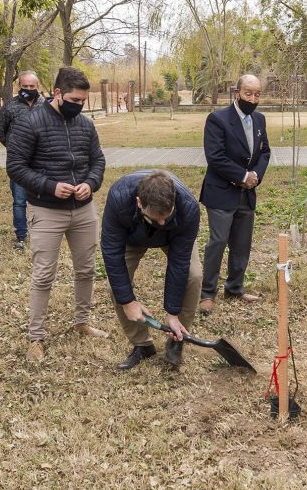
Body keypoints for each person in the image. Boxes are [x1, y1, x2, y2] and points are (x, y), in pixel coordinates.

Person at [7, 66, 107, 363]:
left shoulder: (86, 125)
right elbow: (16, 167)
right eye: (74, 100)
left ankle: (82, 321)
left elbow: (97, 161)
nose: (79, 106)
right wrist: (51, 186)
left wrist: (90, 184)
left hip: (83, 210)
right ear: (58, 93)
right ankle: (36, 337)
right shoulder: (30, 122)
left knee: (86, 269)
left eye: (83, 102)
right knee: (44, 275)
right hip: (47, 210)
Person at [101, 170, 202, 370]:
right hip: (132, 236)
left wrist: (172, 313)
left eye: (167, 216)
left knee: (193, 275)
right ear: (139, 203)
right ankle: (142, 345)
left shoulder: (188, 207)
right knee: (118, 289)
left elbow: (179, 262)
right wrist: (128, 301)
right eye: (157, 218)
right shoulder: (119, 198)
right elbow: (112, 253)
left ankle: (177, 337)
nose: (162, 223)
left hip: (175, 238)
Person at [198, 74, 271, 314]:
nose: (253, 98)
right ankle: (207, 293)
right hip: (221, 192)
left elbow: (265, 152)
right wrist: (242, 176)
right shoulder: (218, 119)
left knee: (242, 243)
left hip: (247, 194)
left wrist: (256, 176)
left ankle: (235, 287)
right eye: (248, 93)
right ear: (236, 92)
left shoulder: (259, 119)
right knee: (218, 242)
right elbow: (215, 156)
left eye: (257, 94)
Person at [0, 71, 43, 249]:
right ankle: (21, 236)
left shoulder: (46, 106)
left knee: (43, 200)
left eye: (32, 86)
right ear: (19, 86)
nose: (29, 89)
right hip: (19, 163)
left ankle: (44, 232)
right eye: (25, 86)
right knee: (20, 201)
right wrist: (13, 147)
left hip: (41, 162)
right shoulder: (10, 106)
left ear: (38, 86)